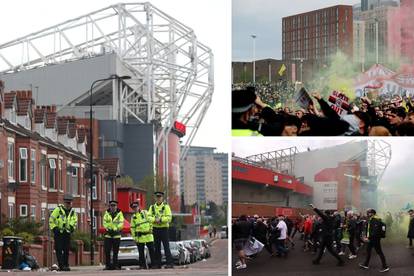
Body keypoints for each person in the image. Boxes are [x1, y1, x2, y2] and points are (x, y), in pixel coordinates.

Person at [49, 194, 77, 271]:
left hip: (67, 233)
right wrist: (54, 228)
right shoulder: (58, 210)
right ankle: (61, 265)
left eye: (70, 203)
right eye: (67, 203)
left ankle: (66, 265)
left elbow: (74, 221)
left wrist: (71, 227)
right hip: (59, 232)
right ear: (64, 202)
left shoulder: (72, 212)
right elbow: (51, 219)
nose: (68, 204)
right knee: (59, 249)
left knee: (66, 250)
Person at [148, 191, 173, 269]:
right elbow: (148, 217)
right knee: (157, 247)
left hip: (164, 229)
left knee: (166, 247)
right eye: (157, 197)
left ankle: (169, 263)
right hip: (156, 229)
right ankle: (157, 264)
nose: (158, 198)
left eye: (160, 197)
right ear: (155, 198)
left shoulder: (166, 207)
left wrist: (161, 220)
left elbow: (169, 218)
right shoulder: (152, 207)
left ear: (162, 198)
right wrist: (155, 220)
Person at [359, 208, 389, 272]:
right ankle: (366, 264)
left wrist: (368, 238)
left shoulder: (376, 220)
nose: (367, 214)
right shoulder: (371, 219)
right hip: (371, 239)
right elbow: (369, 229)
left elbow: (375, 231)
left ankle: (385, 266)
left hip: (375, 239)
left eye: (368, 212)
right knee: (368, 251)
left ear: (372, 213)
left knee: (379, 252)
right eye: (367, 212)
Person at [130, 201, 155, 269]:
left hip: (148, 235)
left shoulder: (145, 212)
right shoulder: (133, 217)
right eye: (133, 207)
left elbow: (150, 221)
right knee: (141, 253)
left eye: (136, 207)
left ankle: (154, 265)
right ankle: (142, 265)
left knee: (152, 251)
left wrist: (151, 228)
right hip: (140, 237)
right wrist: (134, 238)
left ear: (138, 207)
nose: (135, 208)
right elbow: (132, 228)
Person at [103, 200, 124, 270]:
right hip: (108, 235)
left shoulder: (120, 214)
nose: (113, 207)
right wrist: (108, 228)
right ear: (109, 206)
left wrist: (115, 228)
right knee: (107, 251)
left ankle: (115, 265)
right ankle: (107, 265)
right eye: (111, 206)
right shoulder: (106, 214)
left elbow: (121, 223)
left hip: (116, 235)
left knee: (115, 252)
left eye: (114, 206)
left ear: (116, 206)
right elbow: (104, 223)